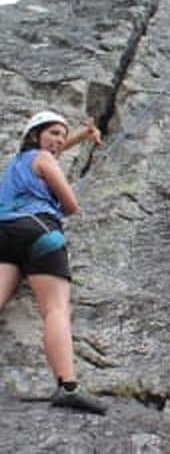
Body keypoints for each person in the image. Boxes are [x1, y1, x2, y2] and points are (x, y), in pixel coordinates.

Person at [0, 111, 107, 414]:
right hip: (40, 231)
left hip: (4, 233)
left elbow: (52, 150)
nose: (60, 140)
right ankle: (68, 387)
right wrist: (59, 201)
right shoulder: (46, 160)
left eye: (63, 134)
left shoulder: (17, 164)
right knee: (55, 309)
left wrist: (82, 136)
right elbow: (71, 205)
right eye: (54, 133)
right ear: (36, 136)